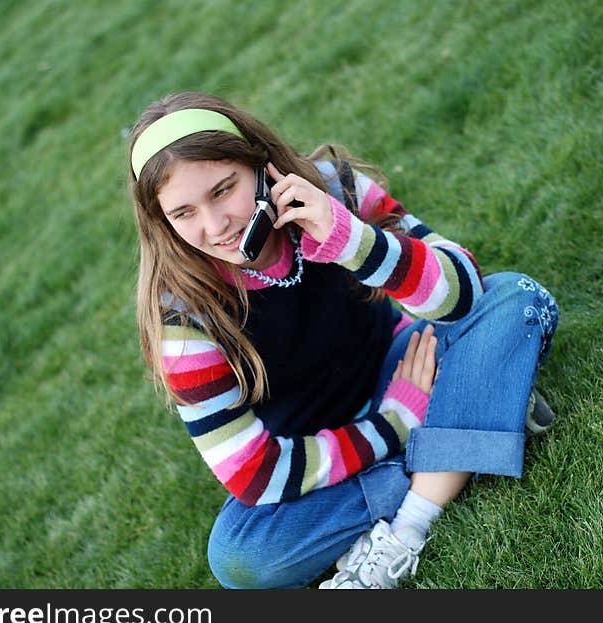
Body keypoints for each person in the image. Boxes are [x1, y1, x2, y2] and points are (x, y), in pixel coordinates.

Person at [127, 91, 559, 589]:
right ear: (162, 222)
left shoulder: (335, 188)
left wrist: (346, 236)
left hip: (403, 362)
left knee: (516, 299)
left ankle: (408, 525)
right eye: (183, 214)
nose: (215, 224)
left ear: (261, 166)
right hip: (310, 457)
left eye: (224, 190)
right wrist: (396, 422)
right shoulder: (183, 320)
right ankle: (471, 419)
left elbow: (463, 294)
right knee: (240, 557)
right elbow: (256, 475)